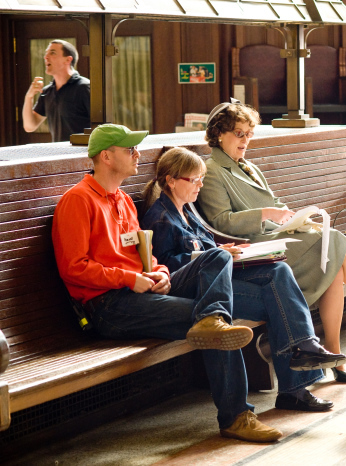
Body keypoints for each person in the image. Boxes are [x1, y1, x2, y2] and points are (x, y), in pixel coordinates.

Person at [52, 123, 301, 443]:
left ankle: (212, 318)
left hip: (138, 290)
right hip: (108, 305)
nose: (137, 154)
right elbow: (73, 268)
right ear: (106, 157)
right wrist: (131, 278)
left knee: (217, 258)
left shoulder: (123, 201)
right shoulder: (78, 200)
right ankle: (236, 416)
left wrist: (159, 272)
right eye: (129, 150)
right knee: (216, 328)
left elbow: (143, 252)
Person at [196, 101, 346, 384]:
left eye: (249, 134)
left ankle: (335, 351)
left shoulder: (248, 167)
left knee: (331, 260)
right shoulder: (212, 170)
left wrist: (297, 219)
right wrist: (267, 214)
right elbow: (221, 222)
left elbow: (274, 203)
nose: (246, 140)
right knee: (330, 245)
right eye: (239, 134)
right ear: (219, 134)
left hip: (276, 237)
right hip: (253, 247)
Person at [140, 147, 346, 412]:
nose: (200, 185)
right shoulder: (159, 218)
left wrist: (235, 251)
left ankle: (304, 349)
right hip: (201, 293)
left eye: (201, 179)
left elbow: (208, 246)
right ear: (171, 180)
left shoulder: (187, 211)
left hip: (221, 278)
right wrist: (213, 254)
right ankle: (295, 385)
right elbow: (166, 267)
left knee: (280, 271)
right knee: (280, 303)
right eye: (194, 180)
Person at [23, 40, 90, 142]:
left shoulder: (84, 87)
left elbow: (102, 127)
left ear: (68, 60)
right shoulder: (47, 92)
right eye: (46, 53)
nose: (46, 57)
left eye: (52, 53)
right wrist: (29, 97)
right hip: (59, 155)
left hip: (82, 155)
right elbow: (30, 126)